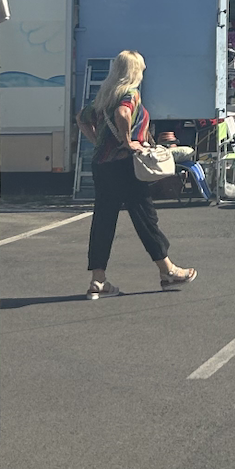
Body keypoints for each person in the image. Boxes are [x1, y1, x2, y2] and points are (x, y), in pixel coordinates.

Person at [82, 51, 198, 299]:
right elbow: (122, 114)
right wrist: (127, 142)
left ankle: (98, 280)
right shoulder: (130, 94)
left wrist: (98, 142)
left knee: (103, 220)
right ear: (135, 71)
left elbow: (82, 118)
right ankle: (167, 270)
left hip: (102, 165)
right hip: (125, 165)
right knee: (145, 216)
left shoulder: (104, 95)